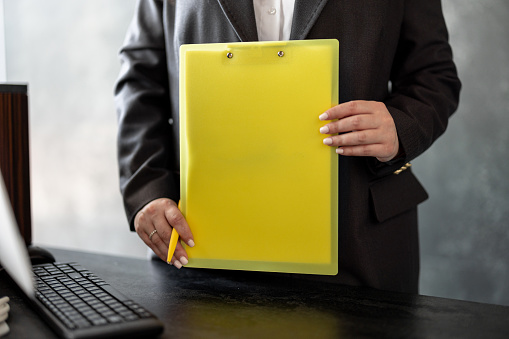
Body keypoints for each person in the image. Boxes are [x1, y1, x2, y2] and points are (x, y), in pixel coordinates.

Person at [114, 0, 461, 293]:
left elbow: (434, 76)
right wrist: (148, 191)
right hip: (201, 247)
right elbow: (140, 80)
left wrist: (400, 126)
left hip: (361, 247)